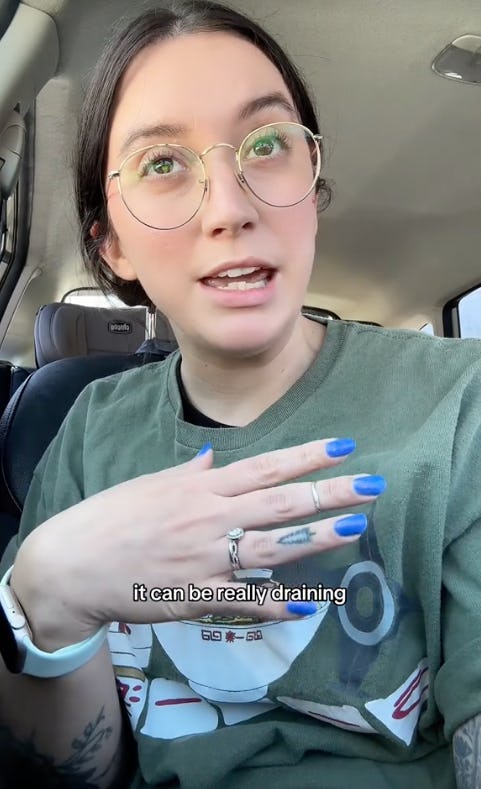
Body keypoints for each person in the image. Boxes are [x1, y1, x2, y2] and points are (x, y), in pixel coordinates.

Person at [1, 1, 481, 787]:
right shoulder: (88, 431)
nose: (230, 208)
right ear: (111, 244)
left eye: (265, 144)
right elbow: (78, 772)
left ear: (311, 183)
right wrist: (47, 595)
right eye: (162, 162)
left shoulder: (461, 404)